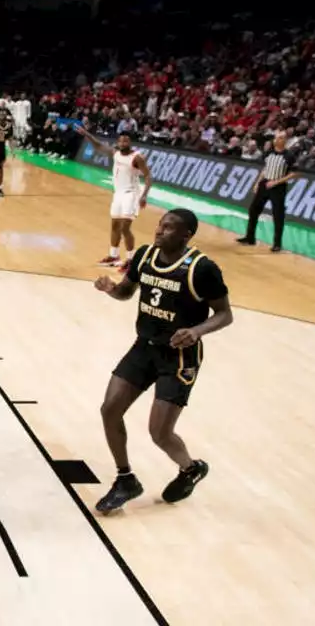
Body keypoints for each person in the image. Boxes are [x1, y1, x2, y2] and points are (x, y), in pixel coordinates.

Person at [92, 208, 234, 513]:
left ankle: (190, 468)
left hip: (180, 357)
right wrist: (110, 289)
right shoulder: (144, 257)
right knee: (110, 409)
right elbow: (126, 293)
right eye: (159, 226)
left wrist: (196, 331)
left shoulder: (202, 269)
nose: (159, 231)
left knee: (159, 433)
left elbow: (225, 314)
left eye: (168, 228)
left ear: (186, 235)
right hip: (144, 347)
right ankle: (125, 479)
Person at [77, 127, 153, 269]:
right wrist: (87, 134)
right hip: (118, 193)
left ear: (130, 142)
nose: (123, 143)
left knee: (125, 228)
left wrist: (144, 196)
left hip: (131, 194)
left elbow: (148, 176)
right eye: (121, 140)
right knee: (115, 226)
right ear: (118, 142)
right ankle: (113, 256)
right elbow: (99, 146)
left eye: (126, 141)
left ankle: (131, 261)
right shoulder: (115, 152)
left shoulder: (137, 157)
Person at [237, 135, 296, 253]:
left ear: (284, 141)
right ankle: (250, 238)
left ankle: (277, 244)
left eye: (281, 138)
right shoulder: (268, 153)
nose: (278, 140)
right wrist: (257, 183)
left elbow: (294, 173)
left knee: (278, 215)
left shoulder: (289, 156)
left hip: (278, 187)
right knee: (253, 210)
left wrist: (276, 182)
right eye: (277, 138)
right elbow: (265, 169)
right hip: (264, 184)